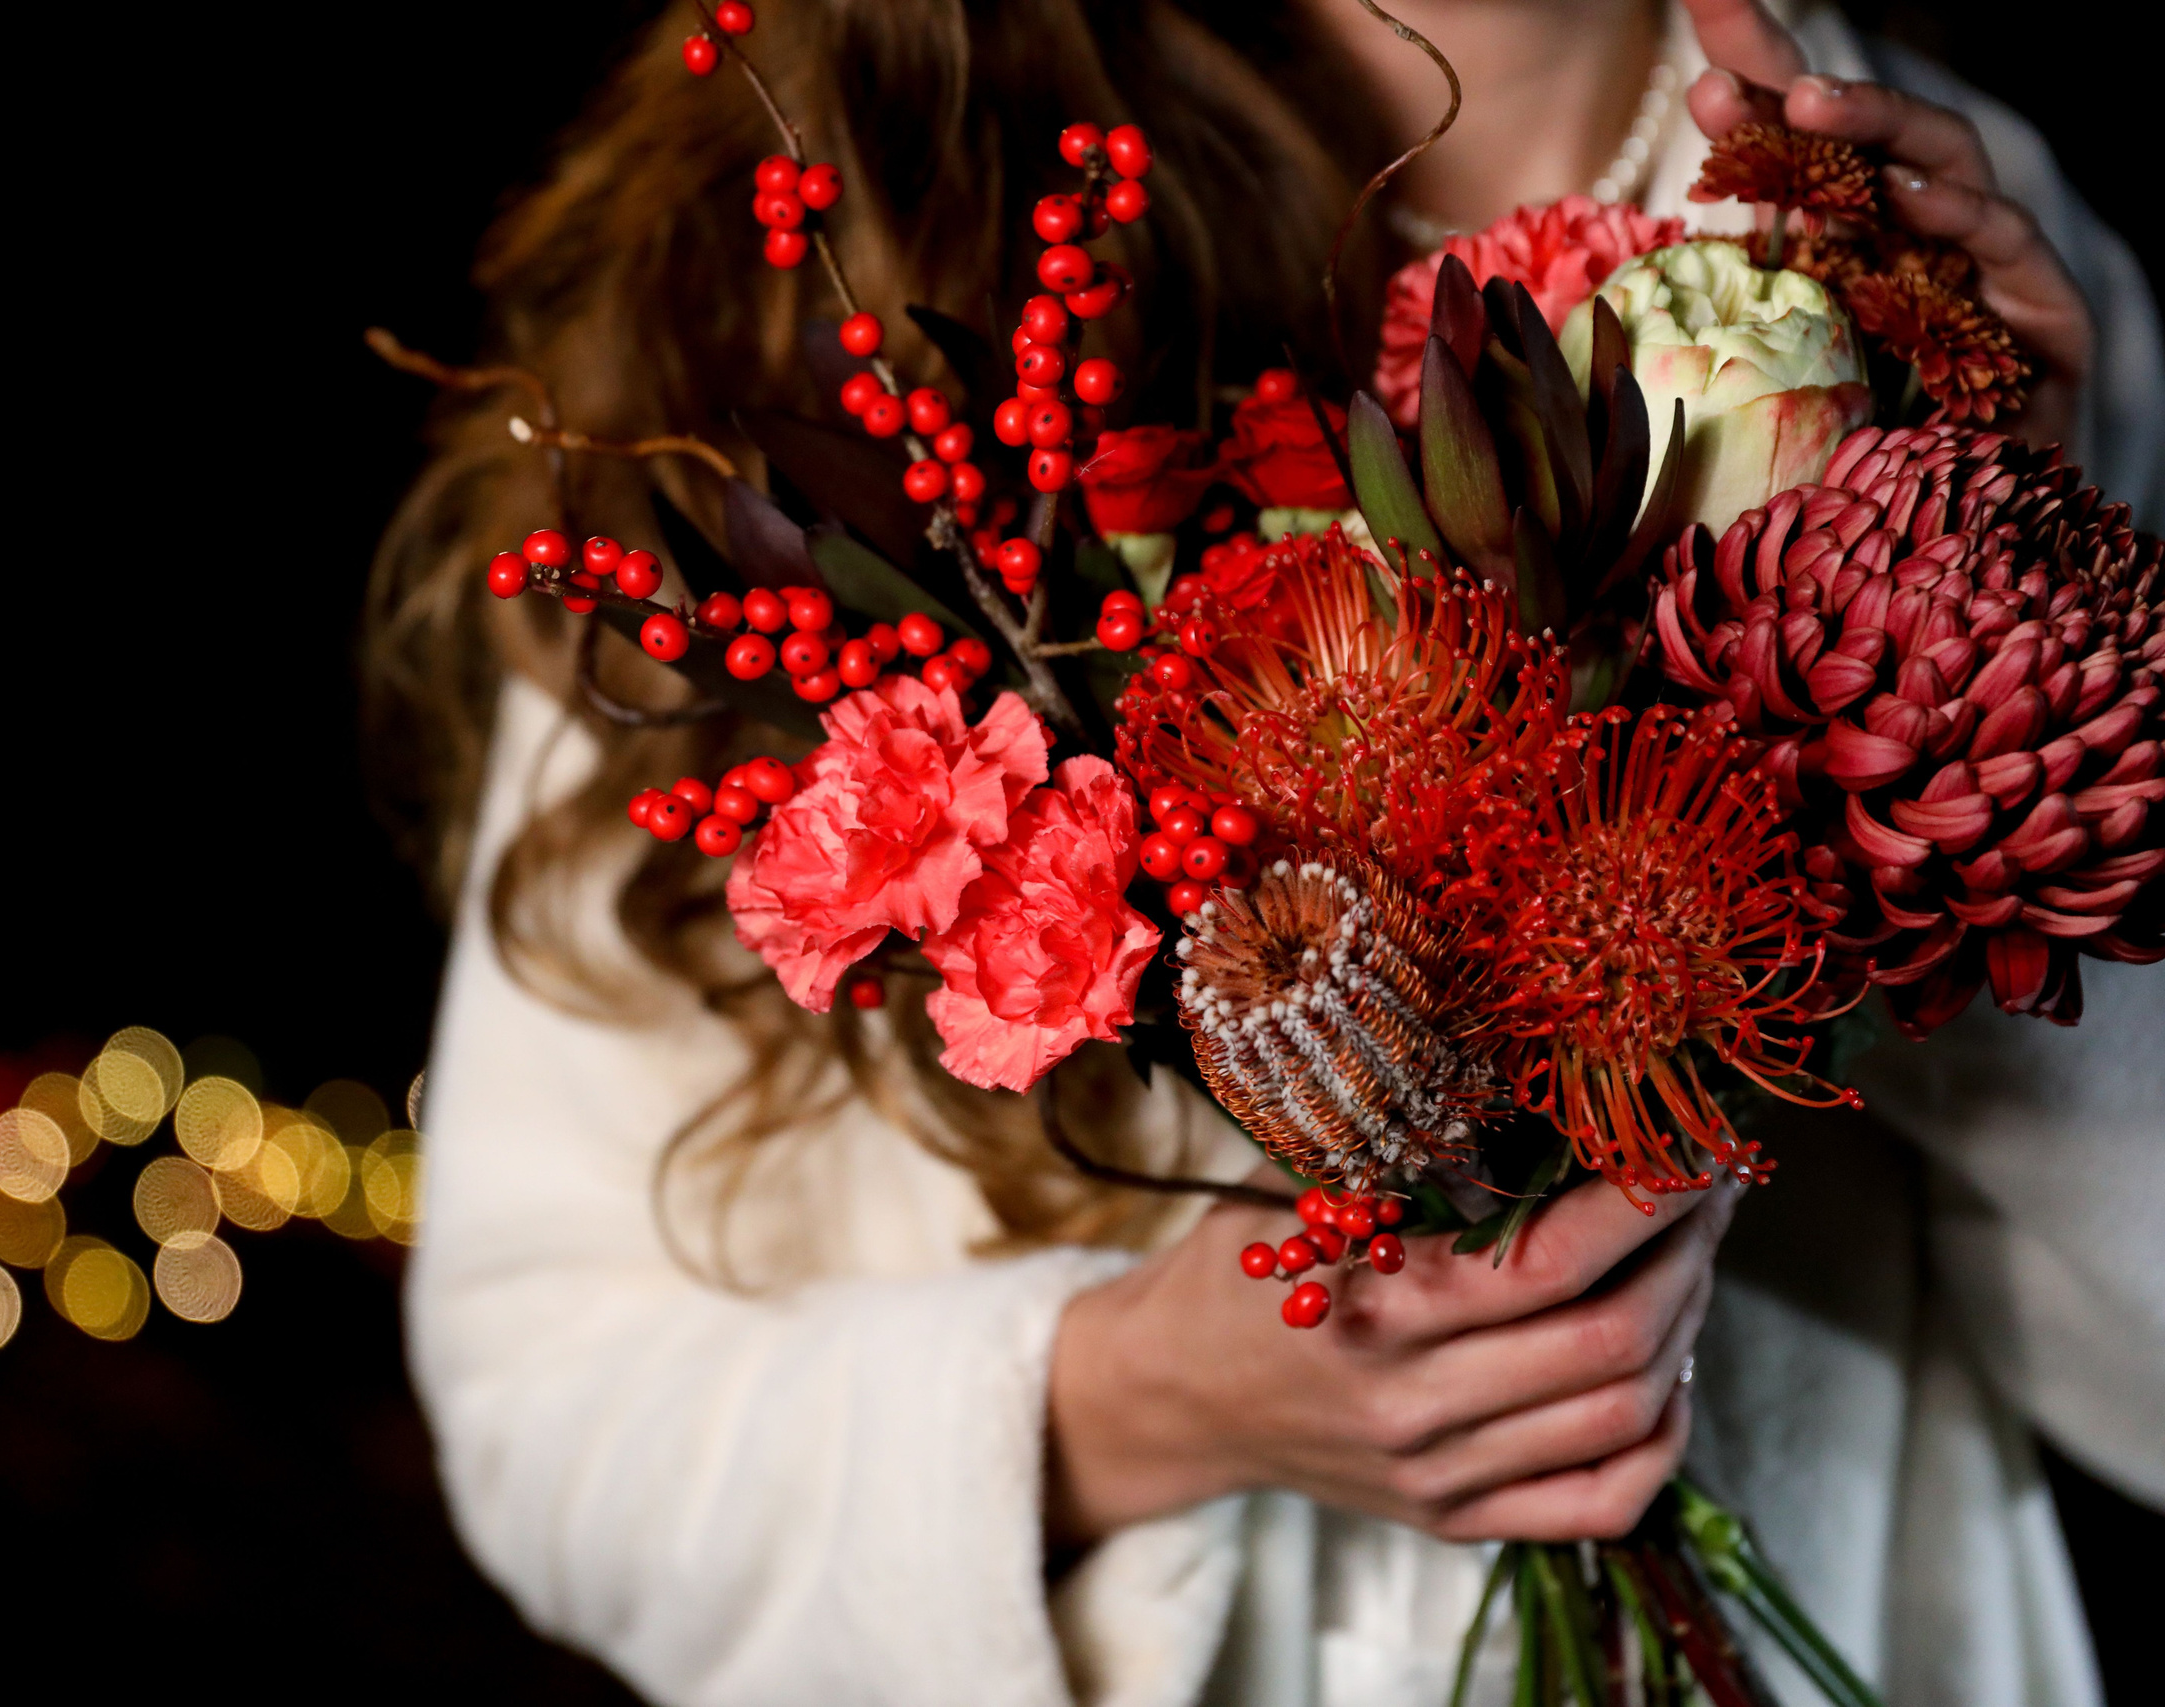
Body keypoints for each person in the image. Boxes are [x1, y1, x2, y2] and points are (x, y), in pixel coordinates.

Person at [371, 1, 2164, 1702]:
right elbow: (549, 1409)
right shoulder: (825, 254)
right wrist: (1121, 1409)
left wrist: (1979, 731)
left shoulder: (1965, 272)